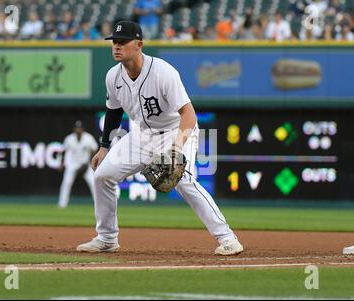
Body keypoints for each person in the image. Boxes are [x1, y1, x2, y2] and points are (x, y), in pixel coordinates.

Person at [76, 21, 243, 255]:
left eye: (123, 41)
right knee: (102, 176)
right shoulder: (113, 76)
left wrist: (176, 148)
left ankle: (227, 238)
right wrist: (104, 147)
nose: (117, 46)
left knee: (184, 181)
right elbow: (113, 111)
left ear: (139, 45)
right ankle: (106, 238)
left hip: (175, 131)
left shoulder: (163, 72)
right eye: (114, 41)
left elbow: (189, 115)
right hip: (141, 135)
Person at [58, 121, 99, 208]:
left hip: (85, 163)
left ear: (82, 129)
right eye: (77, 128)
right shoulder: (69, 139)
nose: (78, 130)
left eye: (80, 128)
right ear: (74, 129)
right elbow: (63, 151)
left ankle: (98, 204)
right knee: (67, 182)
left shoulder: (88, 138)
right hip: (72, 163)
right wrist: (61, 163)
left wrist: (89, 162)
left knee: (93, 183)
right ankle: (62, 204)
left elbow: (94, 150)